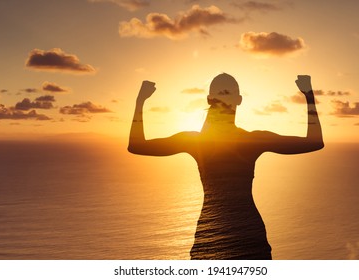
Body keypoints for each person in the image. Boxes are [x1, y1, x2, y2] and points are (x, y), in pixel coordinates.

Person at [128, 73, 324, 259]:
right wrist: (308, 96)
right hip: (246, 235)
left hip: (212, 235)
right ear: (239, 100)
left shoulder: (196, 142)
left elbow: (137, 146)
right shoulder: (251, 140)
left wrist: (140, 102)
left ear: (208, 100)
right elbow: (314, 142)